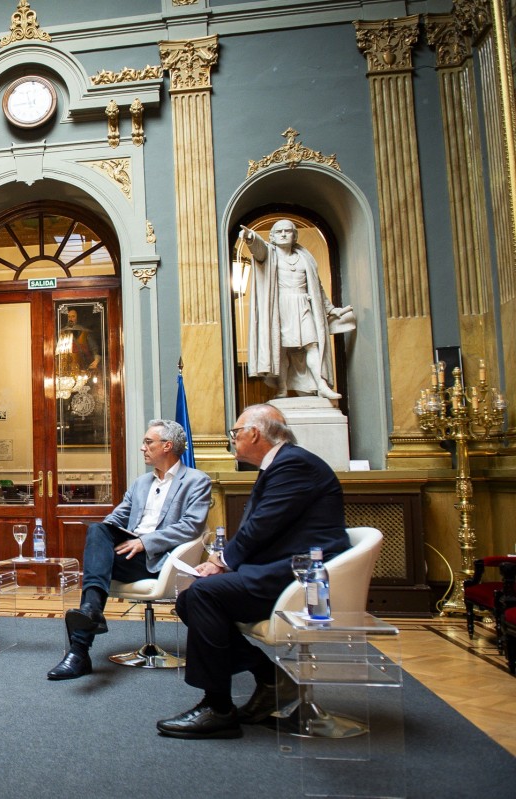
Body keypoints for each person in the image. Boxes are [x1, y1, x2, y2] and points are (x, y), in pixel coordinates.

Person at [156, 404, 349, 739]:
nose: (232, 439)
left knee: (202, 595)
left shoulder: (294, 464)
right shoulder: (281, 464)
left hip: (305, 576)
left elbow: (262, 526)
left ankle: (218, 708)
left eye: (235, 433)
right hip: (282, 569)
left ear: (255, 434)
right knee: (190, 599)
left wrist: (221, 563)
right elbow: (266, 530)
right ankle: (270, 678)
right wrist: (224, 563)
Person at [47, 419, 211, 680]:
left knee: (96, 566)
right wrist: (106, 533)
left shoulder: (196, 480)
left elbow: (191, 527)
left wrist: (145, 542)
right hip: (129, 555)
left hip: (160, 560)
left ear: (167, 446)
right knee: (98, 530)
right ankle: (88, 621)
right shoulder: (140, 483)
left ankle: (79, 650)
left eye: (148, 442)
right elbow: (118, 516)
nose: (142, 448)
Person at [241, 219, 353, 400]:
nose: (283, 234)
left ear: (295, 236)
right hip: (281, 307)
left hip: (303, 304)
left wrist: (331, 309)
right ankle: (282, 388)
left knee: (312, 344)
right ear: (272, 237)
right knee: (281, 349)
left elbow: (317, 287)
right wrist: (251, 238)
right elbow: (258, 249)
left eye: (288, 231)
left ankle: (321, 385)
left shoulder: (305, 258)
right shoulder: (270, 255)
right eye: (279, 232)